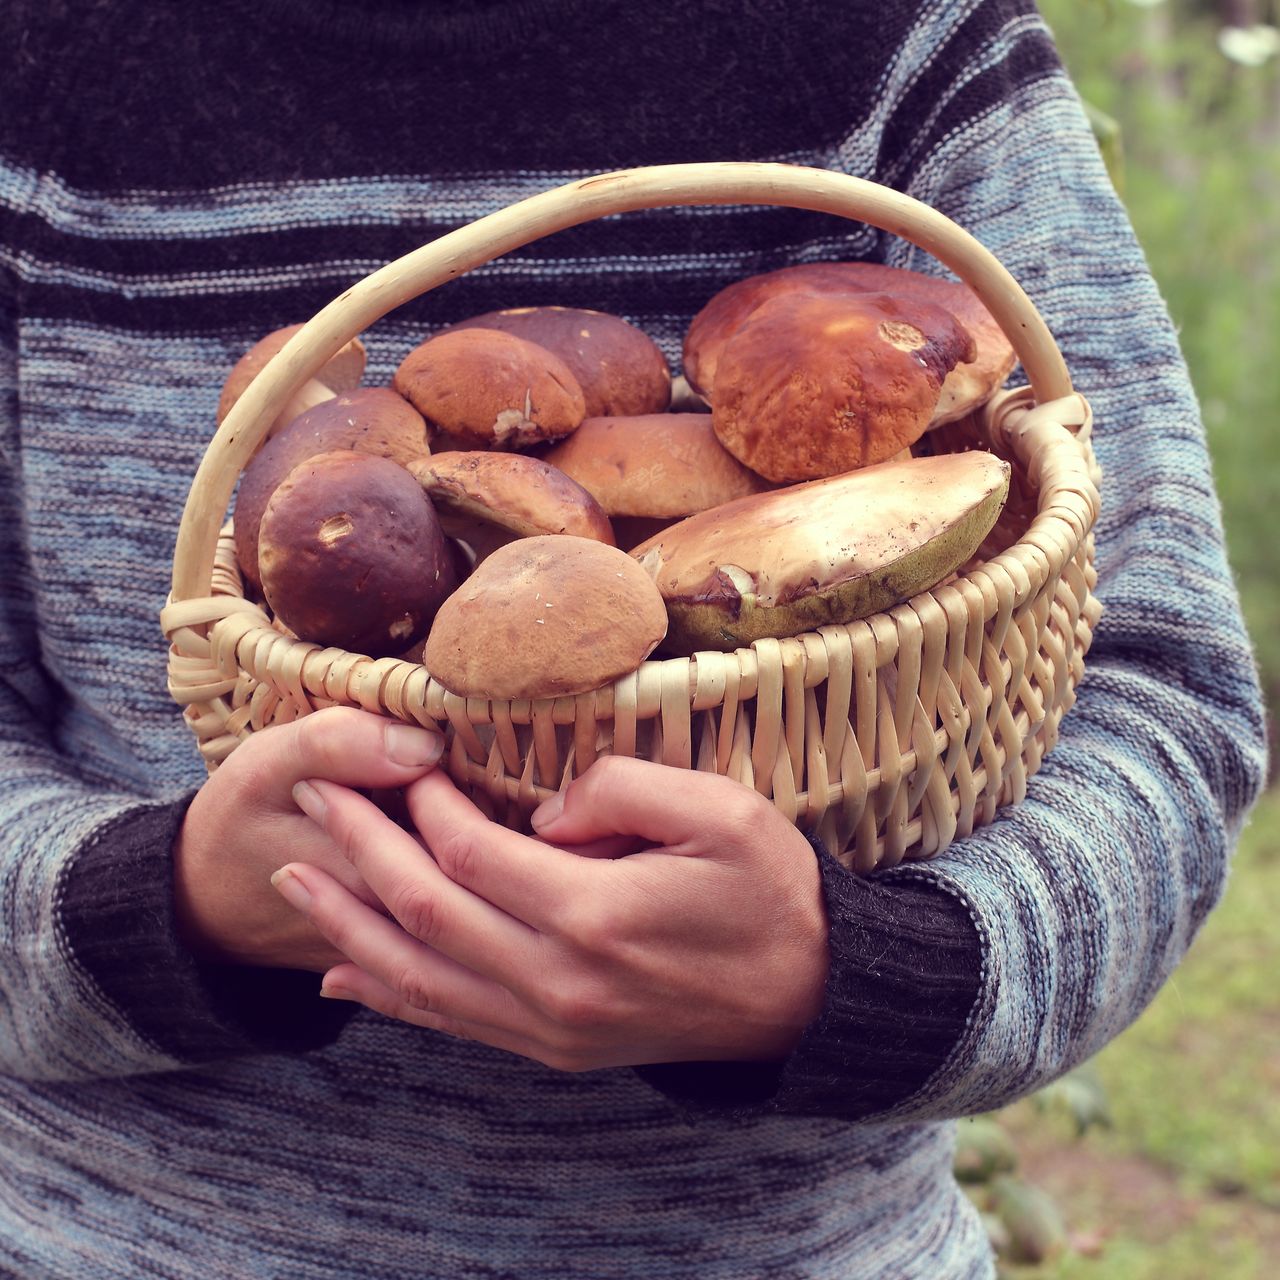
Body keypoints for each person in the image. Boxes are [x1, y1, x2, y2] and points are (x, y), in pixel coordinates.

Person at [0, 1, 1267, 1277]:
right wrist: (165, 910)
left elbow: (1162, 689)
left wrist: (861, 978)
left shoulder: (900, 38)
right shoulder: (46, 58)